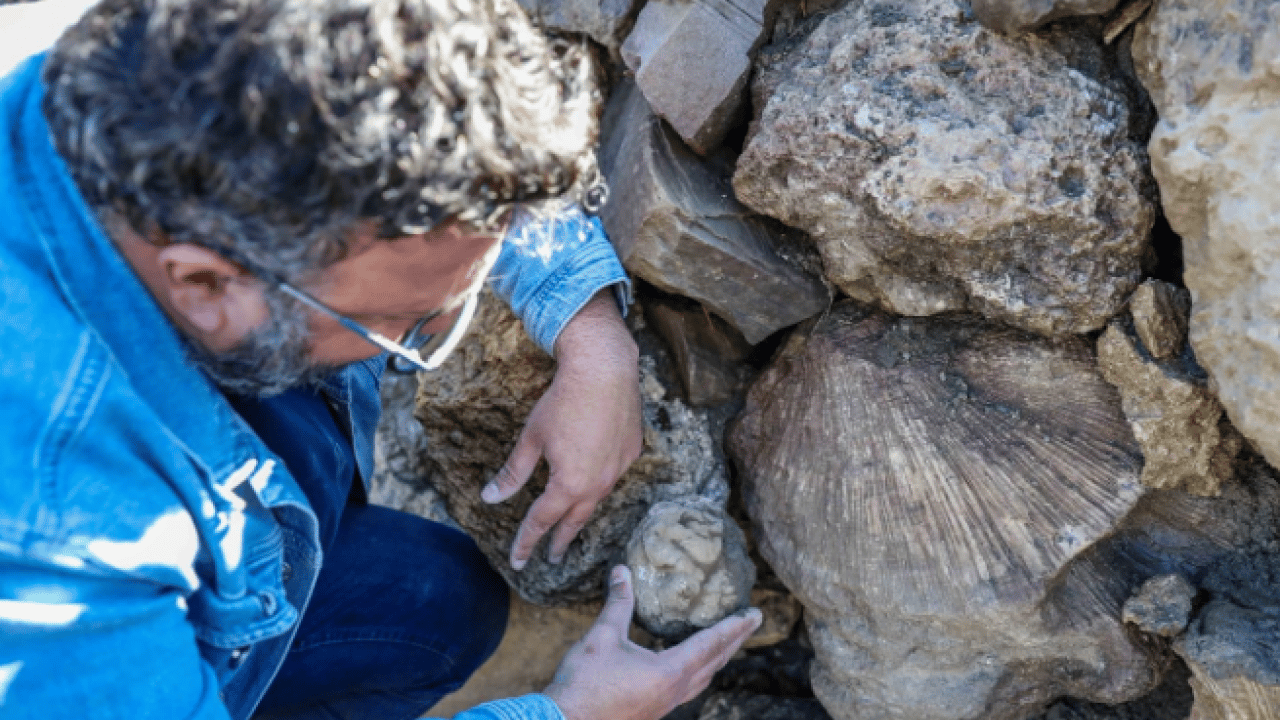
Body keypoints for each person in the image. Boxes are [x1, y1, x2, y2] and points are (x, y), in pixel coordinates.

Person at [0, 0, 762, 718]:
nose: (437, 329)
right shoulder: (60, 538)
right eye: (406, 324)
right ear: (205, 285)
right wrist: (564, 713)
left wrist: (592, 337)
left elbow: (457, 122)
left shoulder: (236, 41)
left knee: (439, 607)